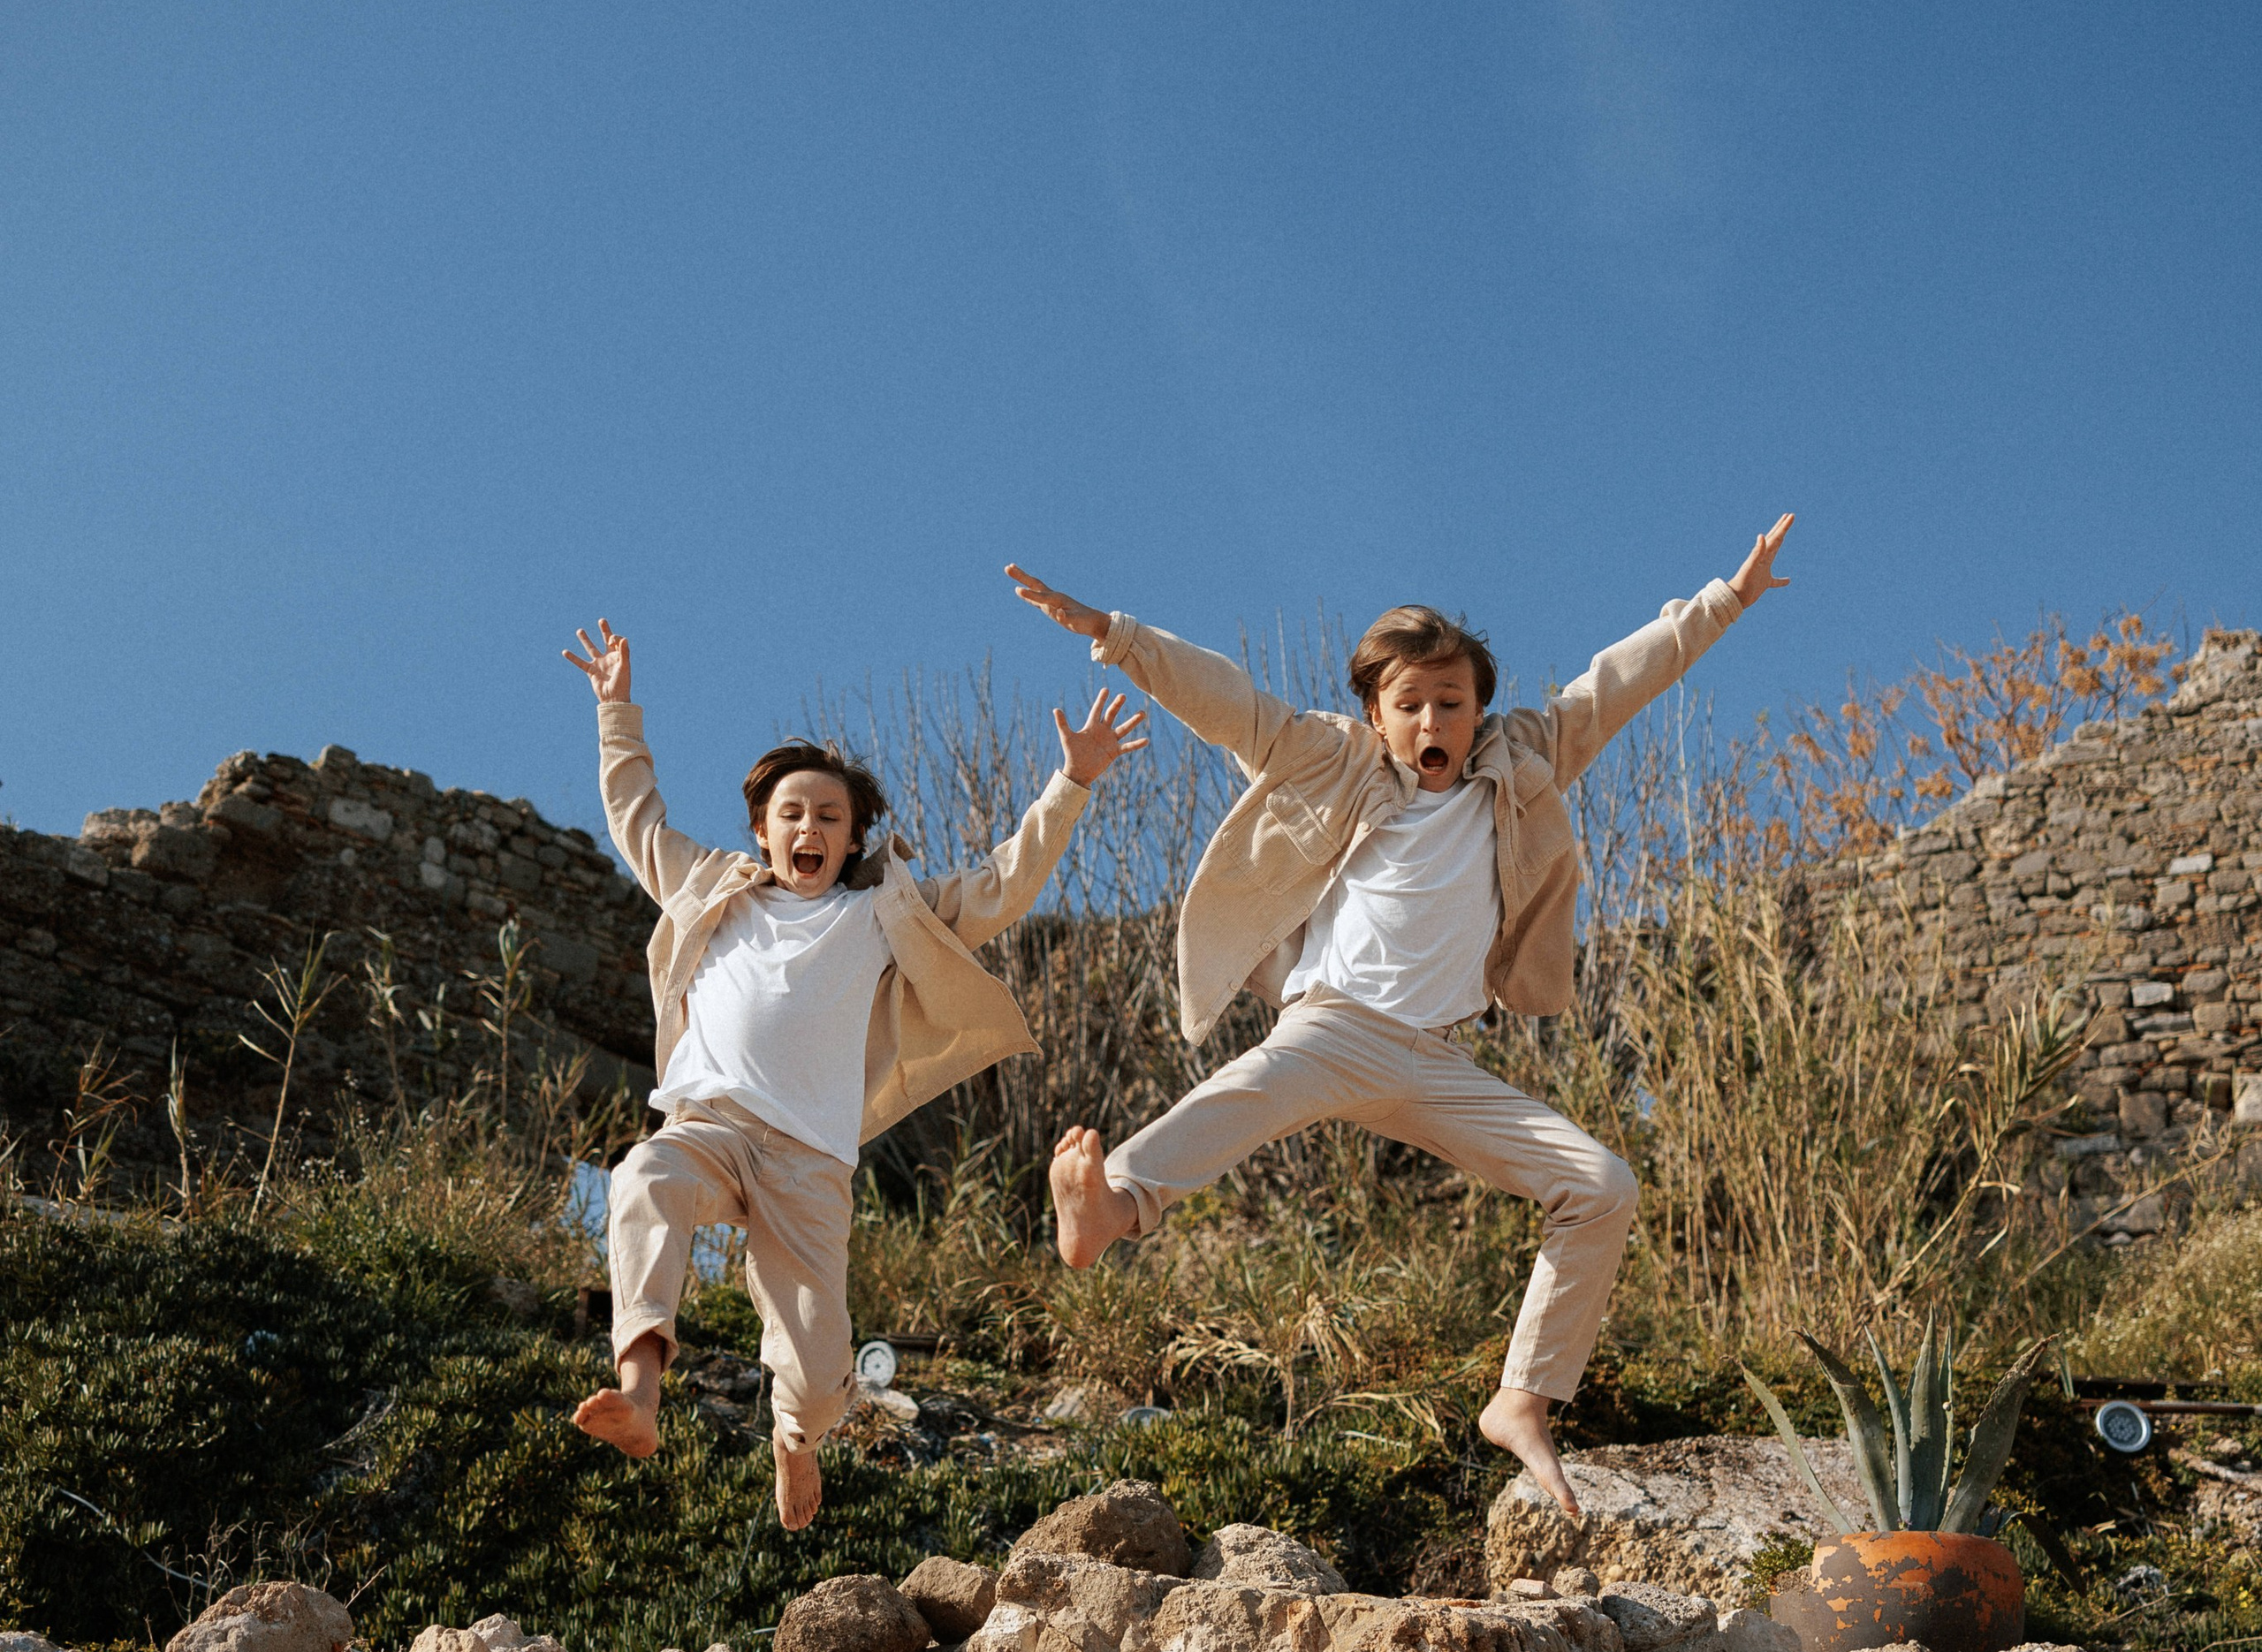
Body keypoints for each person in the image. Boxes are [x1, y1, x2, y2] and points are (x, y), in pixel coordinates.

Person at [1009, 519, 1793, 1517]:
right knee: (1241, 1093)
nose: (1432, 720)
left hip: (1433, 1062)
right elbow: (1226, 702)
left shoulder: (1526, 760)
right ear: (1376, 716)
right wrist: (1119, 636)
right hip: (1332, 1027)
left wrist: (1723, 600)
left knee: (1600, 1185)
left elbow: (1618, 681)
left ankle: (1521, 1399)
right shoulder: (1329, 763)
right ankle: (1115, 1205)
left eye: (1451, 704)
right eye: (1410, 704)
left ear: (1477, 714)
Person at [562, 617, 1147, 1528]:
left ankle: (797, 1437)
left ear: (852, 836)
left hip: (808, 1161)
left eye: (829, 817)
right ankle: (639, 1394)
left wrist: (1070, 783)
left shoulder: (885, 912)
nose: (809, 827)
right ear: (761, 829)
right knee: (642, 1177)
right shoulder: (711, 887)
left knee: (819, 1364)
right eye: (792, 813)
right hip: (707, 1128)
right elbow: (637, 819)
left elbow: (1002, 884)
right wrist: (616, 713)